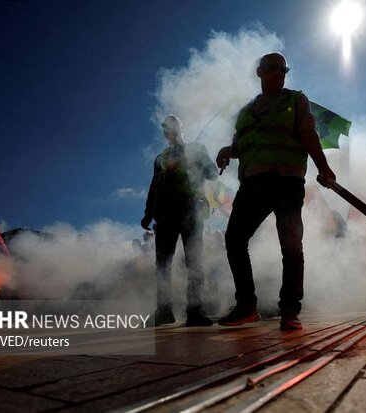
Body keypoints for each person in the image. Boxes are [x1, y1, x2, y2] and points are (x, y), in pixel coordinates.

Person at [216, 53, 336, 330]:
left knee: (291, 245)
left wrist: (324, 167)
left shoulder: (295, 100)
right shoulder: (246, 112)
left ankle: (290, 311)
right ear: (259, 72)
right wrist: (227, 151)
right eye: (272, 68)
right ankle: (246, 306)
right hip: (252, 183)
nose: (279, 73)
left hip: (286, 180)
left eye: (283, 69)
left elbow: (308, 134)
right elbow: (242, 144)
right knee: (234, 239)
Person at [142, 114, 218, 327]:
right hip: (165, 215)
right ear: (164, 133)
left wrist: (201, 164)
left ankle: (195, 310)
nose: (169, 130)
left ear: (181, 127)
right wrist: (148, 213)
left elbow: (213, 174)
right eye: (166, 127)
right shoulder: (161, 158)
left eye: (173, 125)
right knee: (162, 264)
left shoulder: (197, 149)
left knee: (194, 261)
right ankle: (164, 310)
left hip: (191, 210)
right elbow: (154, 186)